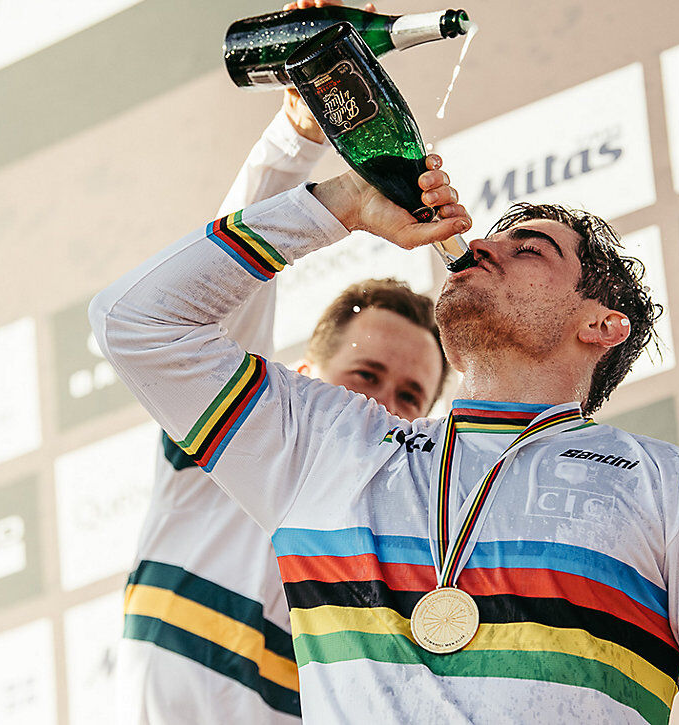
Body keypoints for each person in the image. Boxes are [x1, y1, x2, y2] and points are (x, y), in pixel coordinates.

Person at [92, 127, 679, 722]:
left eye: (528, 249)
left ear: (601, 324)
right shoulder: (330, 446)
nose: (479, 247)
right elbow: (132, 321)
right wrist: (341, 203)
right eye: (491, 238)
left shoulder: (678, 486)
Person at [115, 46, 445, 725]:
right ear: (300, 380)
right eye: (364, 375)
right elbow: (213, 298)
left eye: (409, 396)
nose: (382, 404)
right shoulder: (215, 454)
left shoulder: (409, 582)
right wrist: (296, 135)